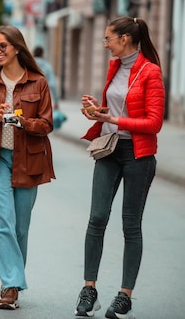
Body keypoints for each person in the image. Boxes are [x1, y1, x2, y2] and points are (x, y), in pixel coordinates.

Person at [74, 16, 164, 319]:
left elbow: (154, 122)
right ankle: (89, 289)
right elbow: (117, 105)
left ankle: (125, 296)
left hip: (138, 154)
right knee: (96, 218)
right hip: (109, 149)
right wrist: (98, 111)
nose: (105, 43)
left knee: (130, 225)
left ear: (124, 39)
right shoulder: (115, 67)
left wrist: (114, 120)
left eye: (108, 38)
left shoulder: (151, 72)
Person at [0, 25, 55, 310]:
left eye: (3, 46)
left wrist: (23, 122)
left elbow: (46, 124)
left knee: (20, 227)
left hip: (28, 160)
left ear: (17, 47)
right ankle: (10, 285)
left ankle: (9, 271)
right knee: (3, 223)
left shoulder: (38, 83)